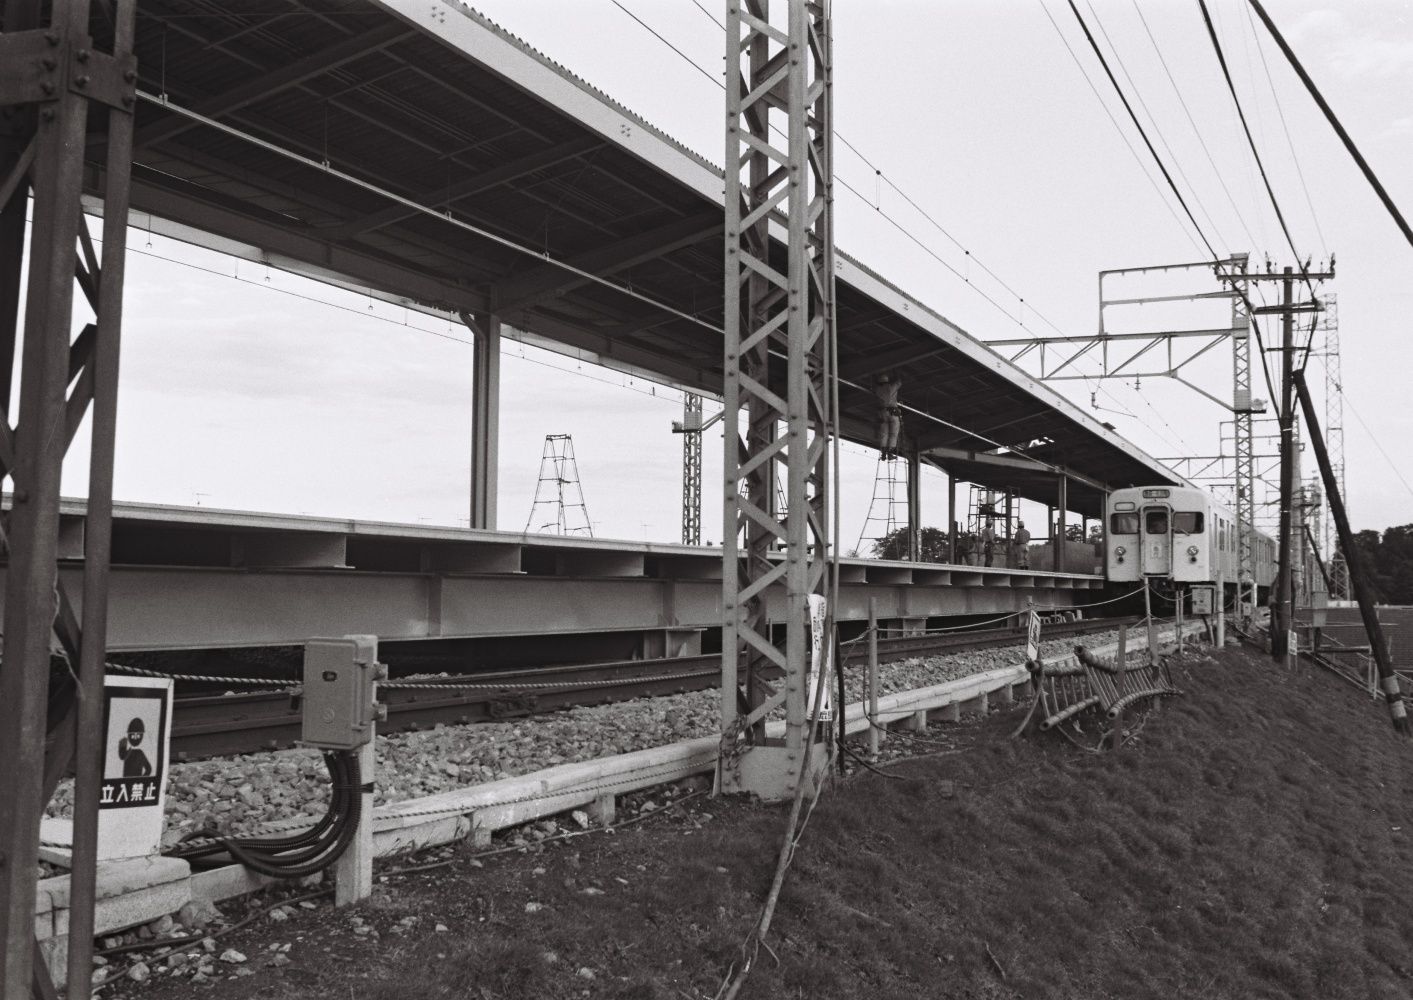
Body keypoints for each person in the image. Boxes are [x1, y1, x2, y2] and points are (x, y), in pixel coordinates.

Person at [875, 374, 902, 460]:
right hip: (893, 412)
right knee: (893, 433)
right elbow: (899, 382)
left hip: (882, 413)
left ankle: (883, 453)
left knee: (884, 433)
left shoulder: (877, 389)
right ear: (887, 381)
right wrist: (896, 373)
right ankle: (890, 453)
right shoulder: (891, 387)